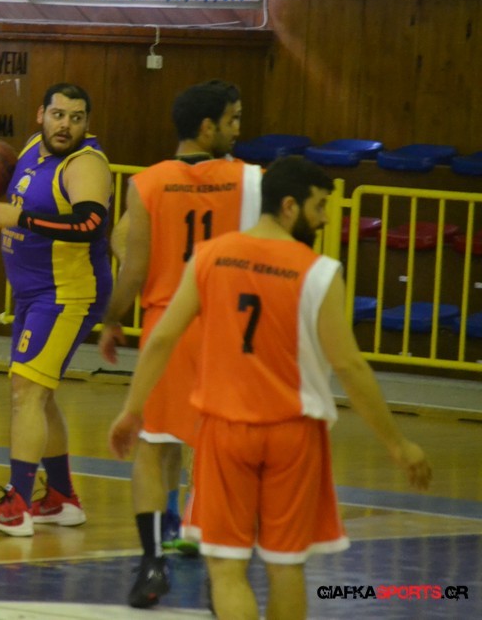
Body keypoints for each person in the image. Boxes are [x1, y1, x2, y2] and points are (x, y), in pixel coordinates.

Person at [109, 156, 432, 620]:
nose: (325, 219)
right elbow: (350, 367)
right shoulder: (320, 271)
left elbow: (161, 338)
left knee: (226, 568)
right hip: (293, 434)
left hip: (225, 430)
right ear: (289, 206)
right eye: (319, 206)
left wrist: (133, 409)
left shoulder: (210, 256)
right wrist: (397, 444)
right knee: (285, 567)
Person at [98, 80, 260, 607]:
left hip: (167, 328)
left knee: (152, 448)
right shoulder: (250, 180)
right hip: (227, 331)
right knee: (218, 456)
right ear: (207, 127)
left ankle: (152, 565)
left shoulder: (147, 183)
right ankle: (220, 575)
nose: (238, 129)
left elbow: (134, 269)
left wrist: (111, 319)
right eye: (233, 120)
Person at [0, 83, 113, 537]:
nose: (66, 125)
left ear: (87, 124)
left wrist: (20, 218)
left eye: (77, 118)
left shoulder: (85, 164)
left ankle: (16, 506)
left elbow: (90, 223)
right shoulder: (30, 148)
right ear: (41, 114)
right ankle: (62, 498)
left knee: (26, 393)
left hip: (66, 294)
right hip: (33, 294)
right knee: (37, 394)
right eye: (59, 114)